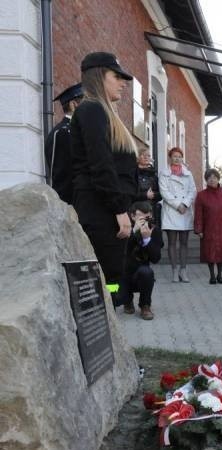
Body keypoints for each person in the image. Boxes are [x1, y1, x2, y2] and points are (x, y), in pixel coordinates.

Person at [71, 52, 137, 302]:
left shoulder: (101, 112)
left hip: (108, 213)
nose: (123, 82)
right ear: (100, 76)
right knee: (105, 283)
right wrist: (119, 209)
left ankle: (110, 324)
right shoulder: (91, 110)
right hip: (102, 213)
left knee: (110, 282)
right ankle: (104, 326)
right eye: (116, 76)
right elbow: (100, 165)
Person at [120, 201, 162, 320]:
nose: (144, 220)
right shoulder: (123, 229)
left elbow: (156, 259)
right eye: (141, 217)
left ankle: (145, 305)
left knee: (147, 273)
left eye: (147, 217)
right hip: (122, 274)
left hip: (140, 274)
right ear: (132, 216)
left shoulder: (154, 231)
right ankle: (126, 300)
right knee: (115, 294)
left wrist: (147, 239)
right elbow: (122, 253)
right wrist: (133, 233)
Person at [159, 147, 196, 283]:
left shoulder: (188, 173)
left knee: (184, 242)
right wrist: (177, 205)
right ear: (170, 158)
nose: (177, 159)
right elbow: (164, 191)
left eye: (179, 156)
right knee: (172, 243)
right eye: (174, 156)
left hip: (184, 211)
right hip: (171, 211)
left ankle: (183, 270)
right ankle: (174, 270)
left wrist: (185, 204)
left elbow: (192, 190)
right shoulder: (164, 173)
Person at [194, 168, 222, 285]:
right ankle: (212, 276)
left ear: (218, 179)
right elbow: (198, 213)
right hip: (208, 228)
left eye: (214, 177)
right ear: (206, 180)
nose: (212, 180)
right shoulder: (201, 195)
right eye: (209, 178)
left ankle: (220, 275)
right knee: (210, 252)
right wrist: (199, 229)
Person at [45, 83, 83, 204]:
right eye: (86, 102)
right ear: (73, 104)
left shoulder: (80, 130)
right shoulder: (62, 132)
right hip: (72, 205)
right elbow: (61, 177)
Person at [134, 147, 161, 225]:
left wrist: (154, 195)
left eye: (148, 155)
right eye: (143, 155)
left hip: (151, 210)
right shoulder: (133, 173)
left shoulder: (154, 174)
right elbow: (130, 193)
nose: (146, 157)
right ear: (137, 157)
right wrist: (145, 195)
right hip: (136, 210)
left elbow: (160, 195)